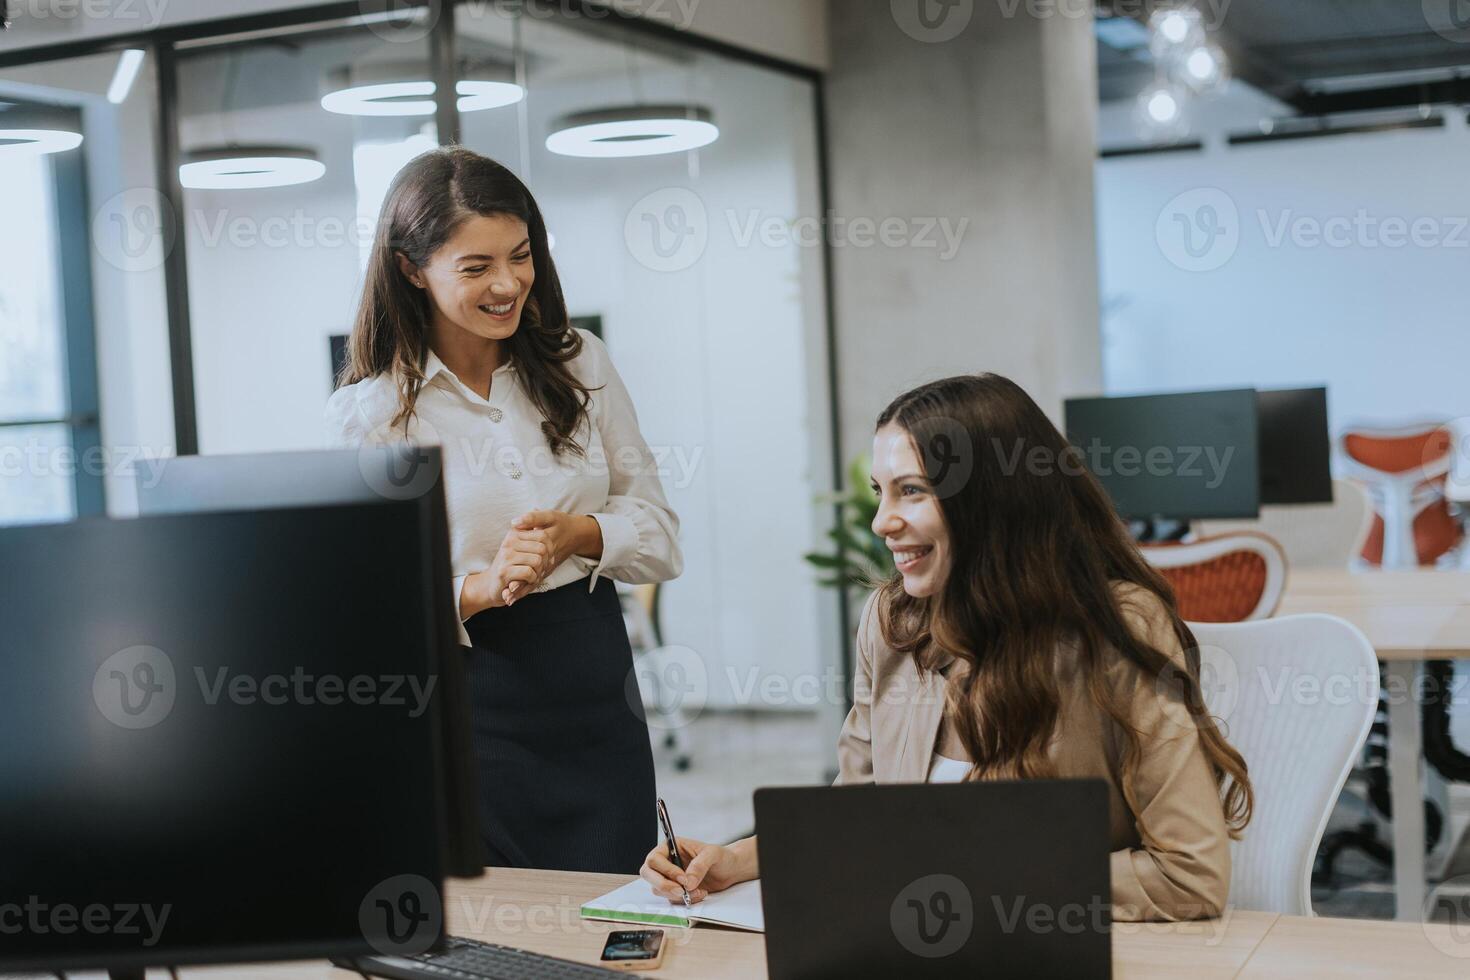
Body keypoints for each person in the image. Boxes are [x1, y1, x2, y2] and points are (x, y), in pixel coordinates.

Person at [639, 373, 1253, 920]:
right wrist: (736, 860)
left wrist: (986, 882)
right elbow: (856, 815)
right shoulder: (892, 622)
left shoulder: (1113, 628)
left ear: (991, 501)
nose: (882, 520)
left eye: (911, 491)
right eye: (881, 491)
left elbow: (1190, 876)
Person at [327, 147, 682, 874]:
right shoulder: (370, 417)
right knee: (503, 927)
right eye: (476, 266)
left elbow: (660, 538)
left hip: (592, 678)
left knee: (611, 915)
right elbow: (365, 610)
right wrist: (479, 588)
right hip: (471, 697)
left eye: (520, 256)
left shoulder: (581, 362)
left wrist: (581, 534)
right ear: (409, 268)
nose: (508, 283)